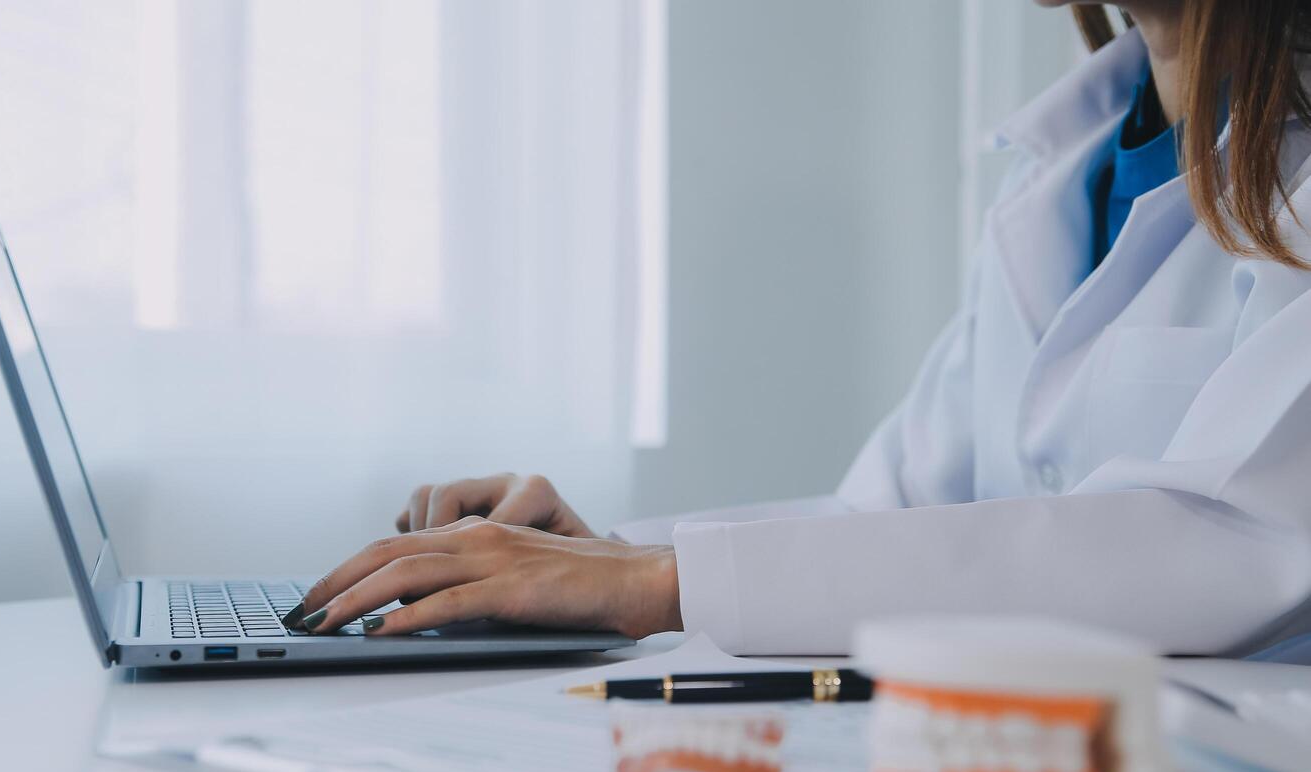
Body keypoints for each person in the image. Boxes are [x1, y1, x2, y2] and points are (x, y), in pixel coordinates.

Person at [285, 0, 1311, 655]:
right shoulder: (1062, 174)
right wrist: (595, 559)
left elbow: (1219, 537)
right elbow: (895, 516)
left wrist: (657, 582)